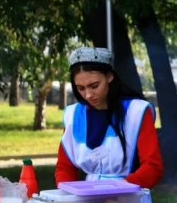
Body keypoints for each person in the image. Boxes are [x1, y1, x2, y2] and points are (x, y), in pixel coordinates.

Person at [55, 46, 163, 188]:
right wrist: (68, 194)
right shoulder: (72, 115)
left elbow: (153, 166)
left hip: (129, 198)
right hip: (86, 200)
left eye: (94, 86)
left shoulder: (136, 112)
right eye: (80, 88)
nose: (88, 95)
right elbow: (65, 167)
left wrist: (120, 188)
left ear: (109, 76)